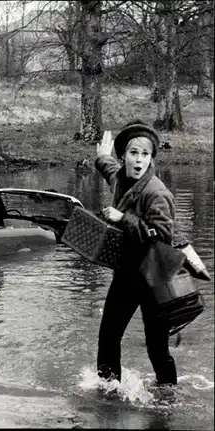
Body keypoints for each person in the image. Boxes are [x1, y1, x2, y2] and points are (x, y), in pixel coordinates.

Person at [94, 119, 177, 386]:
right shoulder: (121, 179)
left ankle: (168, 398)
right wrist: (101, 158)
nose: (139, 160)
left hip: (154, 278)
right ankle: (108, 392)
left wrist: (123, 218)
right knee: (108, 337)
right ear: (124, 157)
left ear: (151, 158)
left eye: (145, 154)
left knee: (156, 349)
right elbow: (110, 171)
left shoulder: (157, 193)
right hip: (127, 274)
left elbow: (162, 236)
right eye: (133, 153)